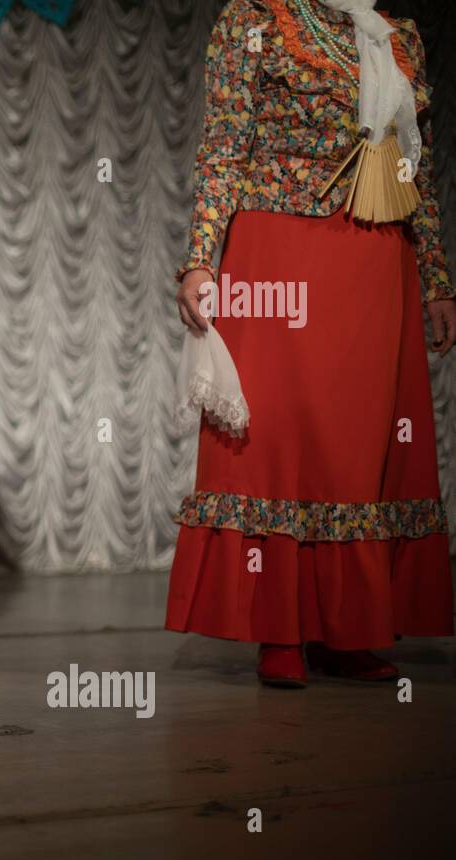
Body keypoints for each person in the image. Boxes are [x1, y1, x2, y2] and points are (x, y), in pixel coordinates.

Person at [167, 0, 456, 687]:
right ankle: (280, 628)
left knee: (356, 447)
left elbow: (418, 167)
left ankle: (346, 626)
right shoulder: (257, 16)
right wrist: (200, 258)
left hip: (376, 253)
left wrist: (438, 277)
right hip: (279, 247)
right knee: (281, 438)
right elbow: (225, 141)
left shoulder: (396, 34)